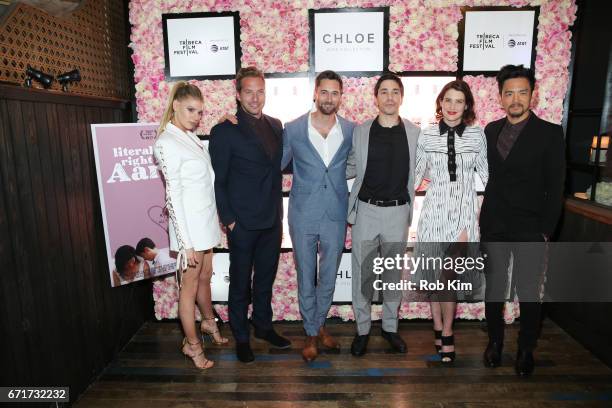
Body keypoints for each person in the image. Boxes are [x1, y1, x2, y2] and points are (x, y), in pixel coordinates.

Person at [480, 65, 565, 376]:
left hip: (531, 227)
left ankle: (526, 348)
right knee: (495, 289)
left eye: (521, 92)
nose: (515, 99)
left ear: (533, 94)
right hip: (494, 225)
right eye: (509, 93)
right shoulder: (490, 130)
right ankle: (495, 343)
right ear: (501, 97)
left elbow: (557, 186)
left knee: (529, 291)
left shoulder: (550, 133)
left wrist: (546, 231)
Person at [209, 66, 291, 363]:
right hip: (242, 223)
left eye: (260, 91)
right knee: (241, 283)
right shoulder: (223, 131)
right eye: (249, 92)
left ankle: (263, 327)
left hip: (271, 219)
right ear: (238, 94)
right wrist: (230, 220)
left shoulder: (275, 124)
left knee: (265, 280)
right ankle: (241, 337)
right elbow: (218, 180)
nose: (255, 98)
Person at [281, 70, 355, 362]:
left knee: (328, 276)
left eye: (334, 93)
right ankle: (312, 332)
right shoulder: (294, 128)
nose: (328, 98)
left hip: (336, 212)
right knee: (305, 274)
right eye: (324, 92)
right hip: (302, 213)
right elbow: (276, 163)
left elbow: (356, 164)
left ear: (340, 96)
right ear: (315, 93)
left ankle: (319, 324)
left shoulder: (350, 130)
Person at [153, 81, 227, 370]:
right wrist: (186, 244)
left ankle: (208, 323)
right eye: (191, 110)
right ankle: (192, 346)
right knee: (188, 288)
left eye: (200, 112)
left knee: (206, 277)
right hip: (189, 231)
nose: (197, 117)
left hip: (206, 222)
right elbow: (173, 198)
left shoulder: (190, 138)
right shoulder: (165, 143)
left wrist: (222, 124)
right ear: (175, 107)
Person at [414, 79, 488, 363]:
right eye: (448, 100)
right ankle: (436, 326)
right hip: (433, 213)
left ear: (466, 105)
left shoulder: (477, 135)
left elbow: (486, 174)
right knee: (434, 278)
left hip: (464, 216)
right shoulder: (426, 135)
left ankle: (447, 332)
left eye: (459, 101)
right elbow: (416, 175)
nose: (453, 106)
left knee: (448, 278)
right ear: (440, 103)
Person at [346, 72, 420, 356]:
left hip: (398, 212)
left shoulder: (415, 132)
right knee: (363, 274)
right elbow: (350, 164)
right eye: (384, 91)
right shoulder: (361, 131)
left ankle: (390, 328)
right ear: (375, 97)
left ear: (401, 97)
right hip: (366, 210)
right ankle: (362, 330)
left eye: (395, 91)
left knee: (392, 275)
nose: (389, 97)